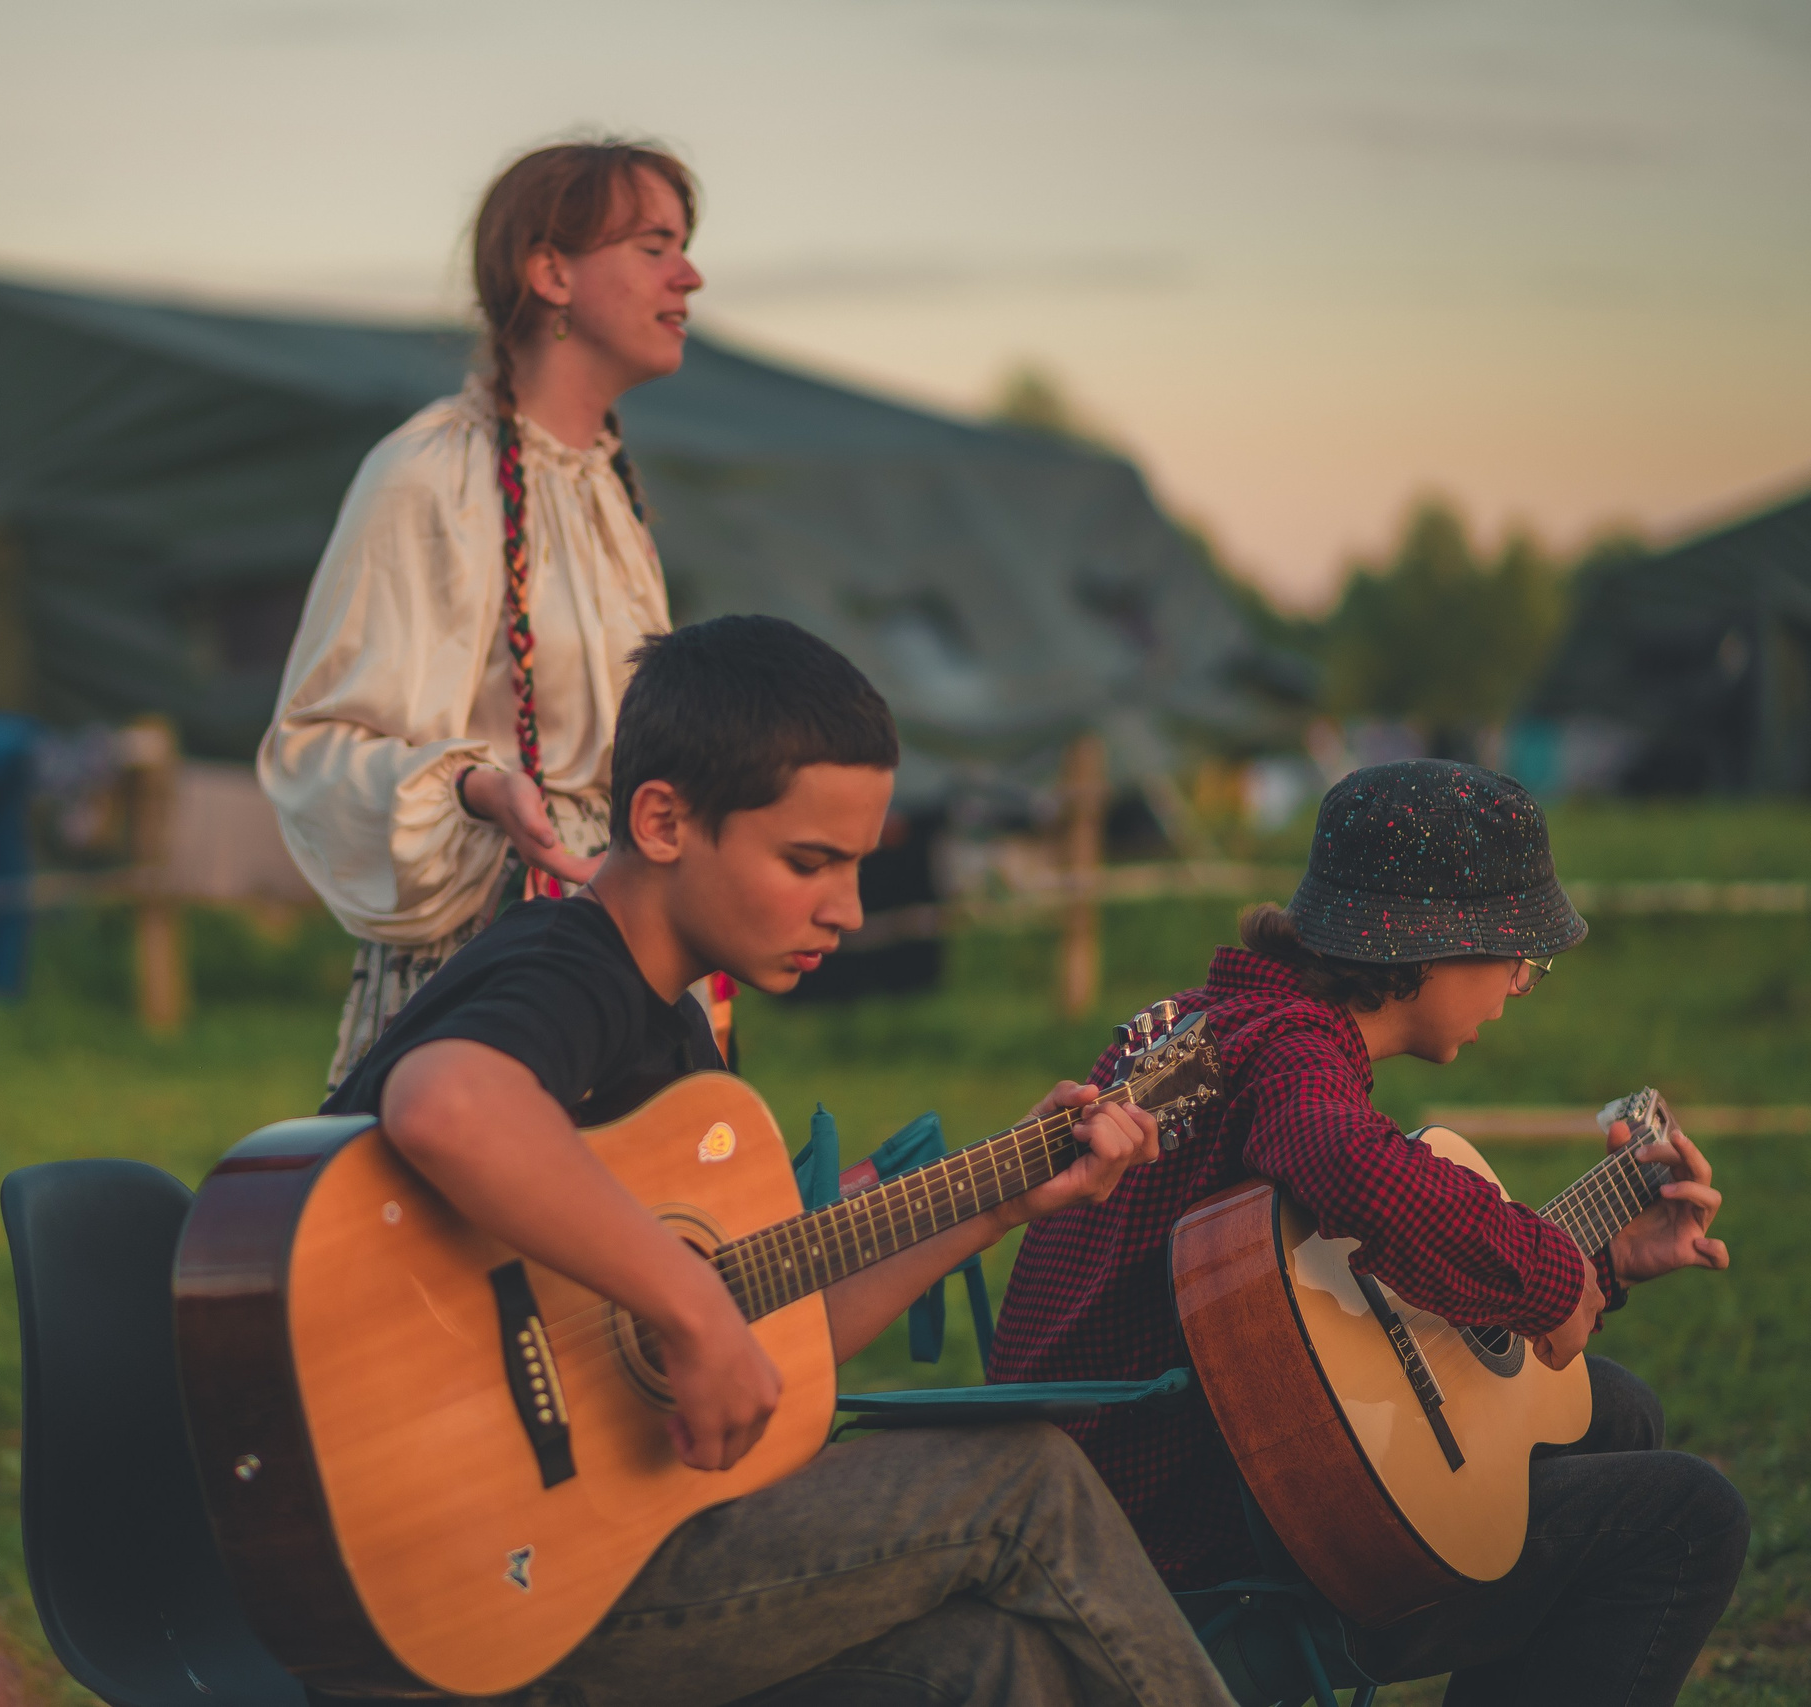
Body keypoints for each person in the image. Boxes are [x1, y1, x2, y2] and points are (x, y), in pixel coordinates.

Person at [319, 616, 1233, 1706]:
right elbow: (449, 1104)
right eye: (810, 862)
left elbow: (778, 1336)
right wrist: (690, 1315)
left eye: (858, 866)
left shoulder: (675, 1040)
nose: (845, 910)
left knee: (1005, 1667)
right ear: (661, 820)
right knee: (1024, 1480)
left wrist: (995, 1205)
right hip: (471, 1594)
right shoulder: (573, 970)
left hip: (566, 1570)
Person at [991, 760, 1746, 1706]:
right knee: (1691, 1518)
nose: (1519, 983)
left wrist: (1600, 1255)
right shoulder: (1295, 1053)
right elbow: (1347, 1165)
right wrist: (1550, 1277)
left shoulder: (1213, 1020)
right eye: (1516, 953)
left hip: (1135, 1459)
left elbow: (1309, 1294)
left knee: (1615, 1411)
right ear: (1429, 947)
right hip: (1174, 1536)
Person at [260, 140, 705, 1091]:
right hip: (491, 972)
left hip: (629, 961)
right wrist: (474, 788)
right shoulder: (426, 476)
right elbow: (314, 750)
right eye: (654, 245)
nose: (689, 274)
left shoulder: (608, 489)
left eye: (685, 246)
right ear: (551, 271)